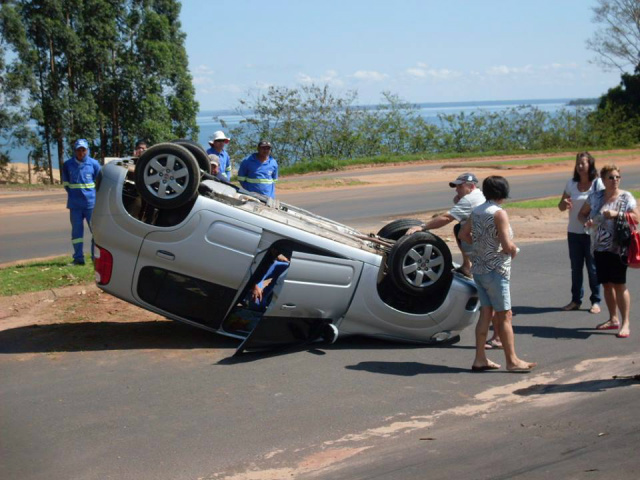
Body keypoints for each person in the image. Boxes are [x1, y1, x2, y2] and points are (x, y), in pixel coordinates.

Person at [460, 175, 537, 373]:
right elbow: (506, 244)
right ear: (503, 193)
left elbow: (463, 234)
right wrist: (513, 250)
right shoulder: (499, 213)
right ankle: (512, 360)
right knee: (505, 316)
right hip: (496, 270)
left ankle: (480, 358)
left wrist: (480, 247)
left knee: (486, 313)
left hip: (480, 268)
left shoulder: (477, 211)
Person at [578, 164, 639, 338]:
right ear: (603, 180)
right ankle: (613, 319)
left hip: (619, 247)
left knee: (620, 284)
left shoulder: (626, 197)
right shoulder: (595, 196)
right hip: (598, 246)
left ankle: (625, 322)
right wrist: (587, 222)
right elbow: (581, 214)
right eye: (611, 177)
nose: (615, 180)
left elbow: (637, 217)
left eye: (617, 177)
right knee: (606, 284)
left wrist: (616, 214)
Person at [406, 172, 485, 278]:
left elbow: (447, 218)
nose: (457, 189)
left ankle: (476, 265)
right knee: (458, 228)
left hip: (483, 243)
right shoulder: (478, 194)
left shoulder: (469, 200)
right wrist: (458, 199)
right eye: (456, 186)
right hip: (485, 236)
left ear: (471, 186)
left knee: (461, 230)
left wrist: (423, 227)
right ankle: (467, 266)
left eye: (460, 186)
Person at [558, 152, 604, 314]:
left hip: (592, 232)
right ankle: (576, 300)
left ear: (590, 164)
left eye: (583, 163)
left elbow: (603, 205)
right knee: (576, 268)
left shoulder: (597, 184)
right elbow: (561, 206)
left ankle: (596, 301)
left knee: (592, 268)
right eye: (578, 163)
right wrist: (564, 203)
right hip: (574, 232)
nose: (579, 166)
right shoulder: (571, 183)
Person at [62, 139, 102, 265]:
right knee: (77, 233)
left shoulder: (94, 164)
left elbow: (100, 182)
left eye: (83, 150)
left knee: (95, 232)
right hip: (75, 205)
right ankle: (78, 259)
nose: (81, 152)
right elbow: (66, 184)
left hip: (91, 205)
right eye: (78, 150)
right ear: (74, 151)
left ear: (87, 150)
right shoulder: (67, 165)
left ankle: (95, 258)